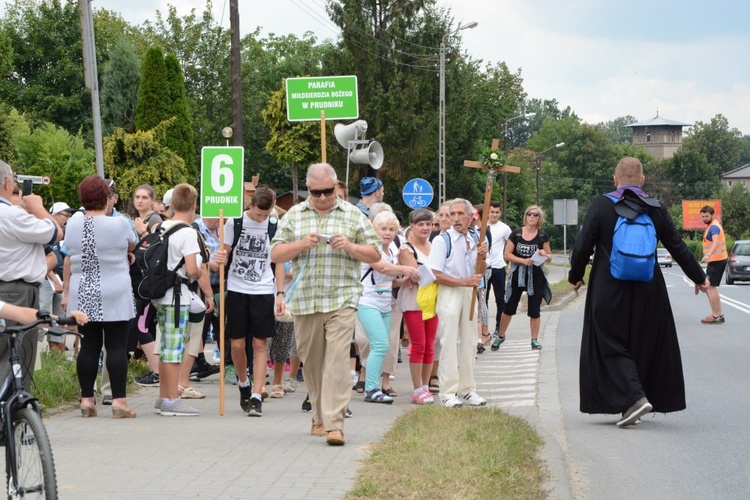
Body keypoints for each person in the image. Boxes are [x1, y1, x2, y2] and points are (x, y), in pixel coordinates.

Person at [568, 156, 709, 426]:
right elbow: (677, 247)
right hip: (649, 288)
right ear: (643, 181)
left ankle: (634, 399)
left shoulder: (600, 205)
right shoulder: (656, 208)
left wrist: (576, 277)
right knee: (642, 344)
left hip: (608, 288)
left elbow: (583, 246)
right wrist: (699, 278)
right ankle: (633, 401)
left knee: (609, 344)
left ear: (615, 179)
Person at [270, 163, 380, 446]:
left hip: (342, 297)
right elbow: (276, 253)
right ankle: (319, 418)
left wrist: (350, 246)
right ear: (308, 189)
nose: (321, 197)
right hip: (306, 300)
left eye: (327, 191)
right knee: (314, 363)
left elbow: (374, 253)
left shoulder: (353, 214)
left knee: (337, 361)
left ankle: (335, 424)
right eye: (316, 192)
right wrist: (301, 244)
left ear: (336, 186)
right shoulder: (294, 215)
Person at [63, 176, 137, 419]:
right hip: (115, 288)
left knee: (89, 346)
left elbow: (68, 251)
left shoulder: (72, 224)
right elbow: (132, 244)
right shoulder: (120, 223)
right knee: (115, 346)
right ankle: (119, 402)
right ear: (107, 198)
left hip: (83, 289)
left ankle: (86, 400)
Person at [213, 186, 286, 417]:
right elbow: (221, 257)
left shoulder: (274, 226)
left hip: (263, 289)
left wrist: (280, 293)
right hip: (237, 287)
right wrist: (220, 258)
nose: (261, 218)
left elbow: (280, 261)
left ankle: (256, 394)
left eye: (265, 215)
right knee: (236, 344)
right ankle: (243, 382)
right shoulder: (235, 223)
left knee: (259, 343)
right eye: (258, 214)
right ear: (250, 205)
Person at [427, 198, 488, 408]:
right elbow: (435, 274)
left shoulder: (475, 238)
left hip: (469, 291)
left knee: (470, 341)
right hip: (450, 292)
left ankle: (468, 389)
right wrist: (463, 281)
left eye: (460, 214)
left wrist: (484, 257)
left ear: (471, 216)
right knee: (449, 341)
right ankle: (447, 392)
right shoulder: (442, 241)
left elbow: (481, 271)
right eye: (452, 214)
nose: (455, 218)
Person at [151, 183, 203, 416]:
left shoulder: (161, 226)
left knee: (164, 347)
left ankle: (163, 396)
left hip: (160, 294)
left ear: (171, 204)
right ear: (194, 205)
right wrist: (201, 270)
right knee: (174, 349)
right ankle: (173, 399)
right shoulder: (188, 232)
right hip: (177, 296)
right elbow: (192, 270)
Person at [357, 211, 416, 404]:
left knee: (384, 345)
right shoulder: (370, 249)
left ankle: (372, 387)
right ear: (374, 230)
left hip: (385, 303)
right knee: (380, 344)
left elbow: (388, 282)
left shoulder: (392, 250)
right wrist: (406, 269)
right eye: (383, 228)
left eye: (392, 229)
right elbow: (382, 268)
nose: (387, 233)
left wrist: (403, 281)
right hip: (368, 302)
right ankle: (371, 388)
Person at [496, 205, 552, 350]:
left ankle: (534, 339)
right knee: (508, 307)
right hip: (517, 274)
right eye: (529, 214)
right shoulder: (516, 234)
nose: (532, 217)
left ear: (539, 219)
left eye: (536, 215)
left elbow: (549, 256)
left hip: (536, 275)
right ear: (525, 216)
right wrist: (522, 261)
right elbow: (507, 254)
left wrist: (543, 255)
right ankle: (500, 336)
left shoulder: (542, 236)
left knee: (535, 309)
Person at [398, 208, 438, 404]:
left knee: (430, 345)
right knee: (419, 344)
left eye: (428, 224)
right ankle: (416, 389)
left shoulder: (433, 245)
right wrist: (440, 276)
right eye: (420, 224)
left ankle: (425, 386)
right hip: (414, 301)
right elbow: (417, 275)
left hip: (433, 301)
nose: (425, 228)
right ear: (411, 226)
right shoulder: (406, 249)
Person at [41, 202, 77, 351]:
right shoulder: (46, 231)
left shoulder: (64, 234)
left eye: (69, 216)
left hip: (60, 281)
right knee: (44, 316)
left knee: (59, 318)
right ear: (54, 215)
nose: (67, 219)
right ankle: (36, 351)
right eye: (65, 215)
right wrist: (55, 280)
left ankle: (56, 354)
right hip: (46, 280)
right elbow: (42, 259)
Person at [486, 201, 512, 345]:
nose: (494, 215)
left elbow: (511, 246)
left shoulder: (505, 228)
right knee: (483, 300)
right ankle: (484, 329)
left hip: (499, 267)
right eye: (492, 212)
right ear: (488, 212)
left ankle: (498, 327)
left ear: (500, 213)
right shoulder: (483, 226)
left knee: (500, 299)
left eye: (497, 212)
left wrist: (510, 264)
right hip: (484, 267)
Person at [699, 205, 727, 324]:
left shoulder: (714, 227)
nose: (704, 218)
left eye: (706, 216)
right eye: (703, 216)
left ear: (712, 215)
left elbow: (715, 242)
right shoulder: (712, 225)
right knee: (711, 287)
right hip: (718, 260)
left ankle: (715, 315)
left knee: (710, 287)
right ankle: (719, 314)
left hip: (716, 260)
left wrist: (708, 255)